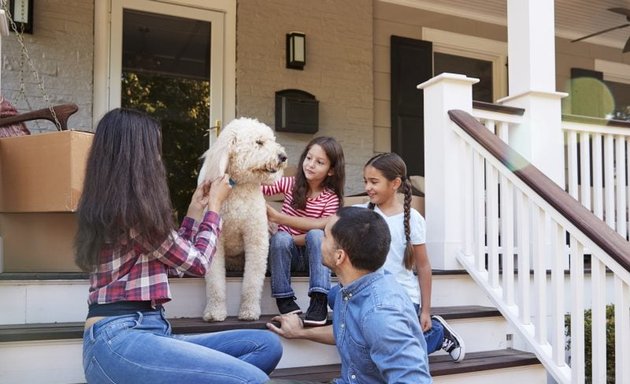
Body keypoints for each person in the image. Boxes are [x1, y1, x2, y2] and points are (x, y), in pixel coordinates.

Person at [75, 108, 282, 384]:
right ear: (137, 157)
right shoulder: (133, 214)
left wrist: (195, 211)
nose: (159, 158)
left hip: (150, 330)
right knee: (253, 380)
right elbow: (198, 264)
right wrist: (215, 207)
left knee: (266, 345)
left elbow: (174, 263)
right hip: (119, 339)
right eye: (155, 149)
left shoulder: (118, 207)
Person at [267, 207, 432, 383]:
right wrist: (300, 332)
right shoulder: (350, 289)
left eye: (325, 236)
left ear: (339, 257)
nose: (319, 240)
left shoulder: (381, 313)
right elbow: (352, 333)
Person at [361, 152, 465, 362]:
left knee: (393, 354)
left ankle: (437, 334)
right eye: (365, 181)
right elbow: (323, 223)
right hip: (373, 295)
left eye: (374, 182)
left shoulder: (412, 219)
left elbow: (424, 266)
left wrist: (425, 311)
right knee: (337, 298)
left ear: (395, 183)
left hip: (404, 299)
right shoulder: (362, 214)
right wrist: (279, 218)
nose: (367, 187)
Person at [263, 136, 345, 325]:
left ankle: (319, 299)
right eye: (308, 158)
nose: (311, 165)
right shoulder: (290, 184)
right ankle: (284, 297)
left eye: (319, 162)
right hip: (284, 254)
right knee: (281, 239)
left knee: (316, 235)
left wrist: (281, 221)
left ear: (331, 170)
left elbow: (325, 227)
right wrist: (263, 216)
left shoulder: (331, 198)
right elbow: (257, 189)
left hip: (313, 258)